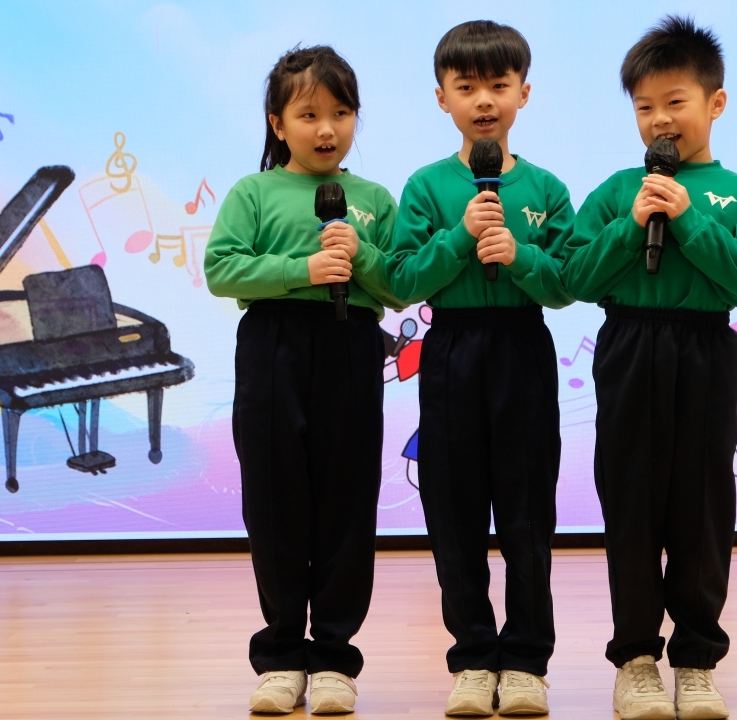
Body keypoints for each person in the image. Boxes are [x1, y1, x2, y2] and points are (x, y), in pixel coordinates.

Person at [561, 15, 737, 720]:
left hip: (705, 349)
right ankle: (635, 661)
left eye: (675, 102)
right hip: (630, 345)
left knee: (701, 506)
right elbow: (574, 275)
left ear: (715, 103)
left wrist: (687, 218)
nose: (659, 119)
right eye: (644, 106)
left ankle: (695, 661)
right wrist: (632, 225)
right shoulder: (616, 190)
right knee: (630, 503)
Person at [203, 44, 404, 716]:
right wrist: (303, 269)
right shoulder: (253, 192)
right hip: (273, 344)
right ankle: (283, 655)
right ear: (277, 123)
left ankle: (336, 658)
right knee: (274, 496)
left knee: (347, 498)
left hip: (352, 344)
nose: (326, 129)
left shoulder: (373, 199)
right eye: (308, 114)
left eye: (341, 113)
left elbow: (399, 286)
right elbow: (222, 270)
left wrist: (360, 254)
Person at [387, 20, 574, 717]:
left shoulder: (547, 187)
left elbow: (569, 282)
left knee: (527, 513)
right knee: (454, 510)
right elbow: (402, 279)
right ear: (442, 98)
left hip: (523, 348)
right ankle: (471, 655)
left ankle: (525, 659)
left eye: (499, 84)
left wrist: (519, 255)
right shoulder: (427, 186)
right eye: (467, 87)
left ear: (524, 92)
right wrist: (460, 237)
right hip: (452, 351)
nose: (484, 100)